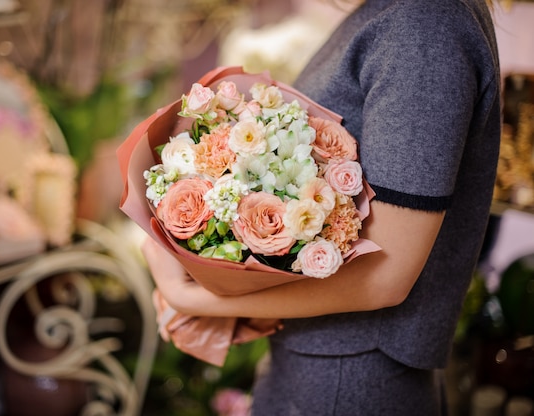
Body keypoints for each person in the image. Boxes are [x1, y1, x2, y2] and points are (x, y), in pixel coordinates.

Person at [140, 0, 501, 414]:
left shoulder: (425, 26)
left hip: (349, 380)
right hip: (327, 363)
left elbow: (386, 277)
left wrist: (190, 296)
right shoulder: (396, 14)